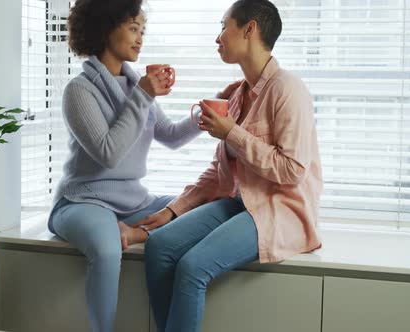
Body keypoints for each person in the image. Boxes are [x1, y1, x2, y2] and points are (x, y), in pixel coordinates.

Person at [134, 1, 323, 331]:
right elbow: (218, 172)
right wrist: (174, 210)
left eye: (223, 26)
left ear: (249, 29)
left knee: (193, 267)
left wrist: (231, 133)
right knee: (160, 246)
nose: (218, 37)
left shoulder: (288, 89)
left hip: (279, 209)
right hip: (240, 204)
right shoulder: (237, 95)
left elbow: (293, 170)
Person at [46, 0, 226, 331]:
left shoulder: (134, 86)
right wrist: (143, 95)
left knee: (201, 207)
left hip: (134, 202)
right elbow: (108, 153)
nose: (140, 37)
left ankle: (139, 233)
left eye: (142, 30)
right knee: (106, 248)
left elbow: (170, 136)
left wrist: (209, 111)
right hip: (84, 202)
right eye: (132, 28)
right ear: (104, 27)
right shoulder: (79, 91)